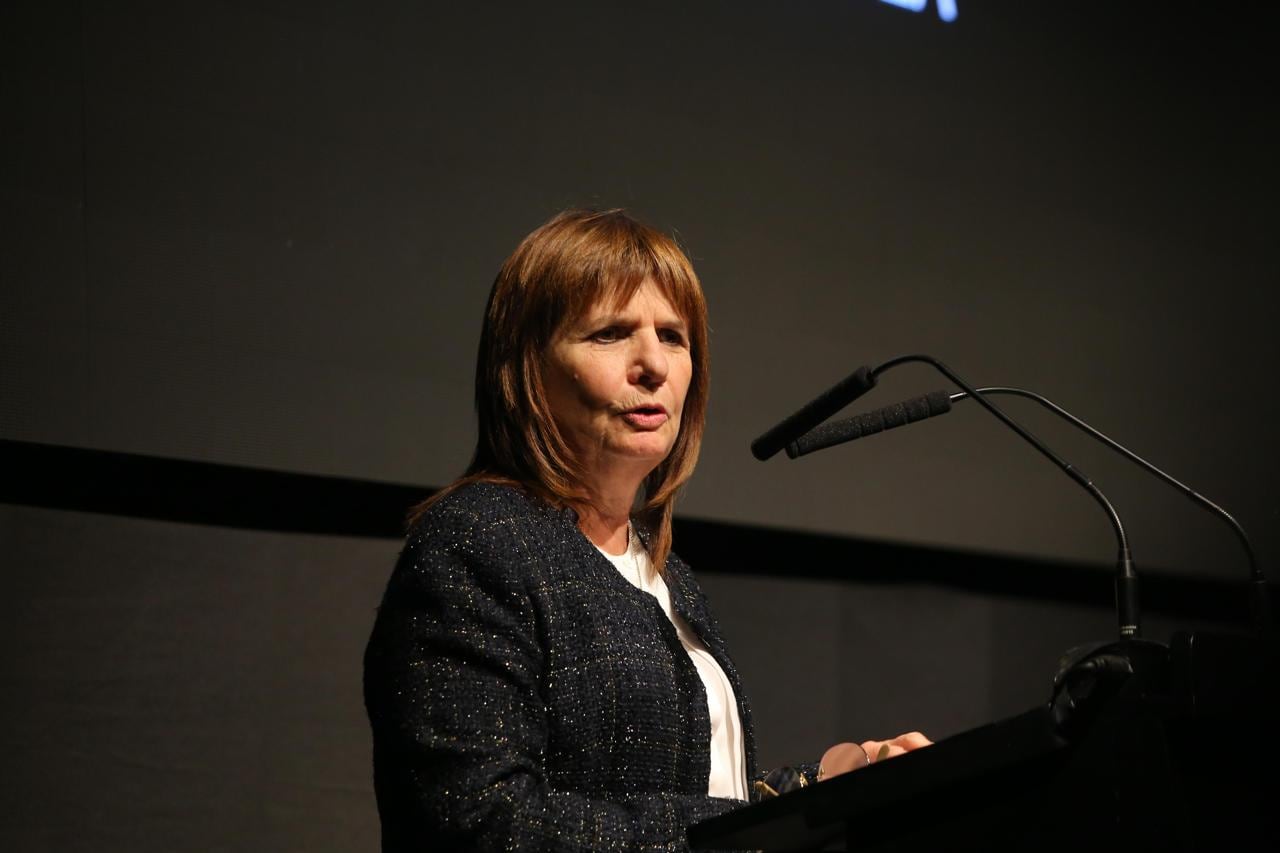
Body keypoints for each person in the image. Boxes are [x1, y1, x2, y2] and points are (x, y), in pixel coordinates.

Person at [362, 208, 930, 851]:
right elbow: (480, 822)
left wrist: (824, 786)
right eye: (609, 334)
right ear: (526, 369)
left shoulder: (662, 572)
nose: (652, 364)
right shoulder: (478, 543)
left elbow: (687, 792)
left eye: (673, 336)